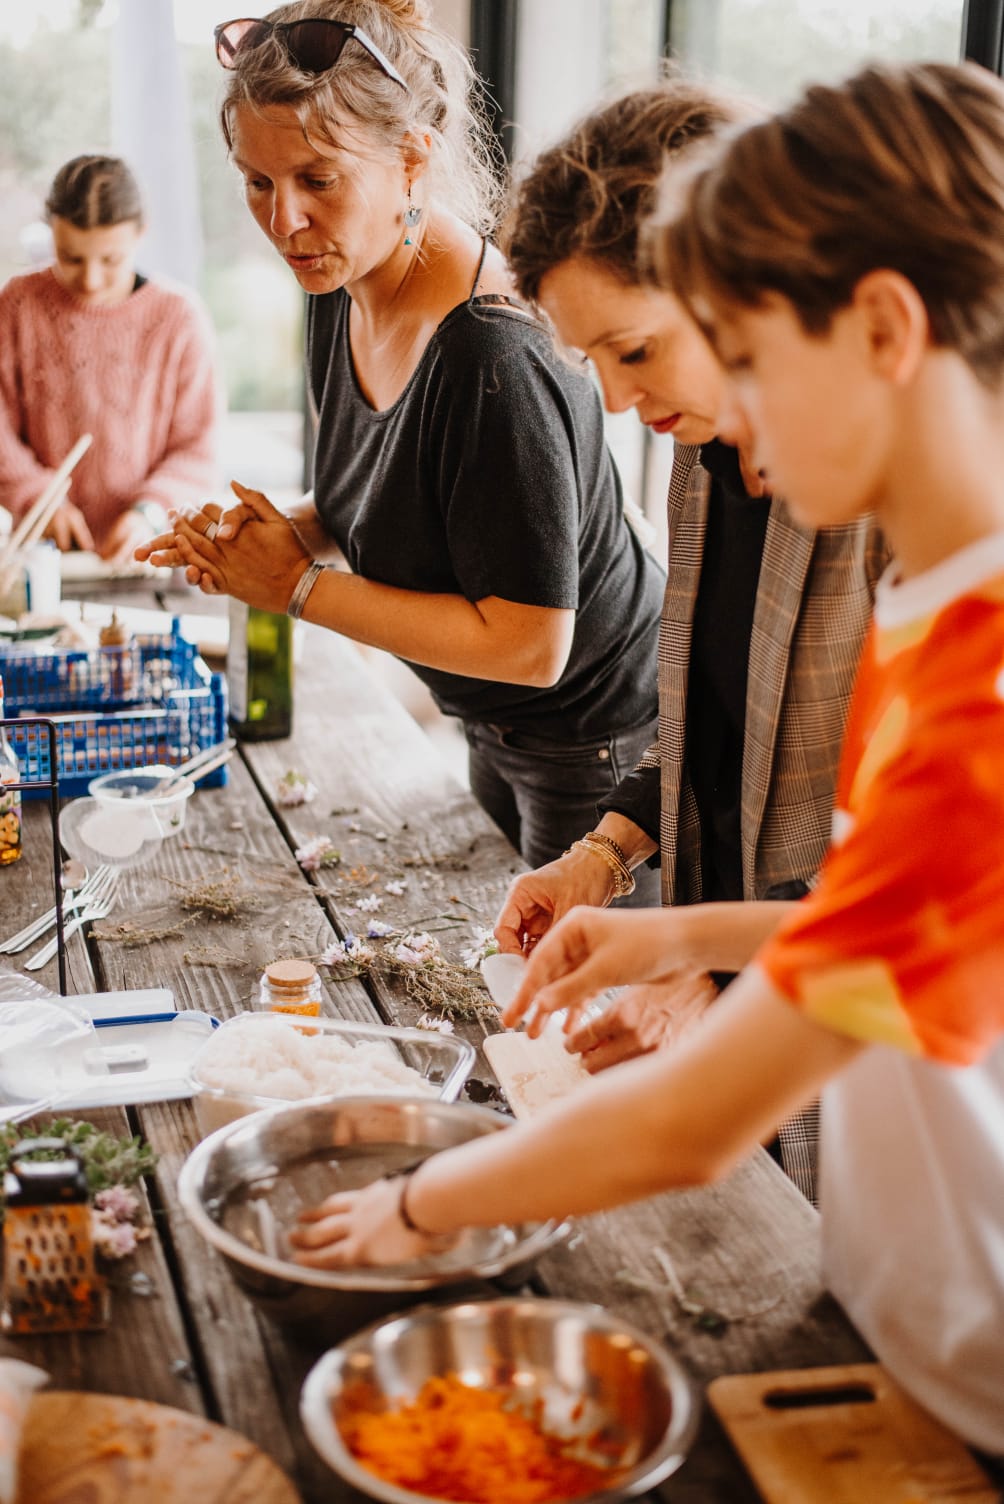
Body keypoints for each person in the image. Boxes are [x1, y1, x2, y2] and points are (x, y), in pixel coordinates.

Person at [287, 61, 1004, 1461]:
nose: (723, 412)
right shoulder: (940, 607)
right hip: (904, 1324)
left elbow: (697, 1122)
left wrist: (424, 1203)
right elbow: (903, 936)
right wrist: (661, 927)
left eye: (741, 352)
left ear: (879, 327)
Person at [137, 0, 665, 879]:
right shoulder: (338, 284)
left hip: (595, 740)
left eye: (319, 178)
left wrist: (297, 587)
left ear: (413, 158)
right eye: (257, 182)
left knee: (561, 1006)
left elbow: (531, 645)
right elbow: (398, 496)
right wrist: (278, 535)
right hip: (488, 719)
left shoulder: (492, 353)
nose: (284, 221)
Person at [493, 83, 886, 1196]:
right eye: (595, 365)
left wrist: (726, 978)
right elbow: (707, 719)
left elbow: (929, 869)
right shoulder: (700, 450)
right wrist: (605, 853)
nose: (618, 401)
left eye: (634, 350)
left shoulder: (899, 496)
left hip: (859, 1044)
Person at [0, 155, 219, 565]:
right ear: (51, 236)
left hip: (151, 556)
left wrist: (151, 512)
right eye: (71, 257)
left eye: (110, 260)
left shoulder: (179, 318)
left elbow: (197, 448)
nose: (91, 279)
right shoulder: (17, 305)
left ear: (141, 233)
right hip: (42, 559)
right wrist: (36, 496)